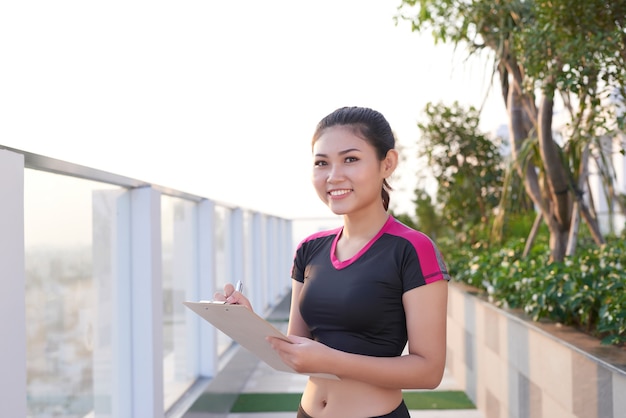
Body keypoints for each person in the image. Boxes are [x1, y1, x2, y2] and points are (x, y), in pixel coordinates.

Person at [216, 106, 450, 418]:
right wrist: (248, 322)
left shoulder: (412, 249)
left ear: (387, 163)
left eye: (350, 159)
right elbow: (298, 349)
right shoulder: (309, 249)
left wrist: (330, 361)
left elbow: (428, 372)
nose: (333, 176)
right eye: (321, 163)